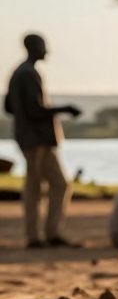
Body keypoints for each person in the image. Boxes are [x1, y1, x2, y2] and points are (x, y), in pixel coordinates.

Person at [3, 34, 81, 248]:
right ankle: (41, 235)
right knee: (40, 186)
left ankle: (45, 233)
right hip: (36, 139)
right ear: (34, 47)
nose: (47, 51)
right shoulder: (27, 74)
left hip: (32, 137)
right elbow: (34, 109)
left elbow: (10, 106)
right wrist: (64, 109)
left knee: (48, 185)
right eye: (44, 46)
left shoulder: (19, 73)